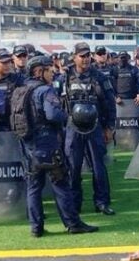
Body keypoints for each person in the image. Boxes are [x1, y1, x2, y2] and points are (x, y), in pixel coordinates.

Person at [14, 54, 98, 236]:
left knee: (33, 186)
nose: (52, 72)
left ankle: (36, 228)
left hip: (28, 144)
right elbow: (52, 115)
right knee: (61, 183)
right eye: (49, 69)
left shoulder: (21, 89)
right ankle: (73, 223)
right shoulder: (45, 91)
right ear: (39, 71)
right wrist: (68, 117)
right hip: (47, 143)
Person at [61, 42, 117, 215]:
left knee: (98, 166)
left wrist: (109, 127)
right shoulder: (64, 77)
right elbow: (57, 102)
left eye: (87, 56)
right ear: (74, 57)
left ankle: (102, 202)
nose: (85, 59)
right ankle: (74, 203)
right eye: (82, 56)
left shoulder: (100, 77)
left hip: (95, 127)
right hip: (73, 128)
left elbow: (109, 103)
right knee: (73, 167)